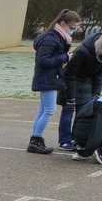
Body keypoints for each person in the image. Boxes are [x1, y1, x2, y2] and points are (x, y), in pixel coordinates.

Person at [27, 9, 81, 155]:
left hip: (48, 77)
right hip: (47, 78)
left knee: (44, 109)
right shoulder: (51, 38)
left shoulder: (55, 37)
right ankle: (35, 139)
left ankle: (36, 139)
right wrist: (65, 58)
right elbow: (43, 61)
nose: (73, 31)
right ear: (63, 24)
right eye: (72, 28)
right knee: (49, 110)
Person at [57, 30, 102, 151]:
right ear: (100, 48)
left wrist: (96, 93)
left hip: (87, 83)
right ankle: (64, 141)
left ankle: (76, 138)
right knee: (68, 110)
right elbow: (70, 74)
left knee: (82, 114)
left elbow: (99, 76)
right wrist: (70, 97)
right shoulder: (82, 51)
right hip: (70, 81)